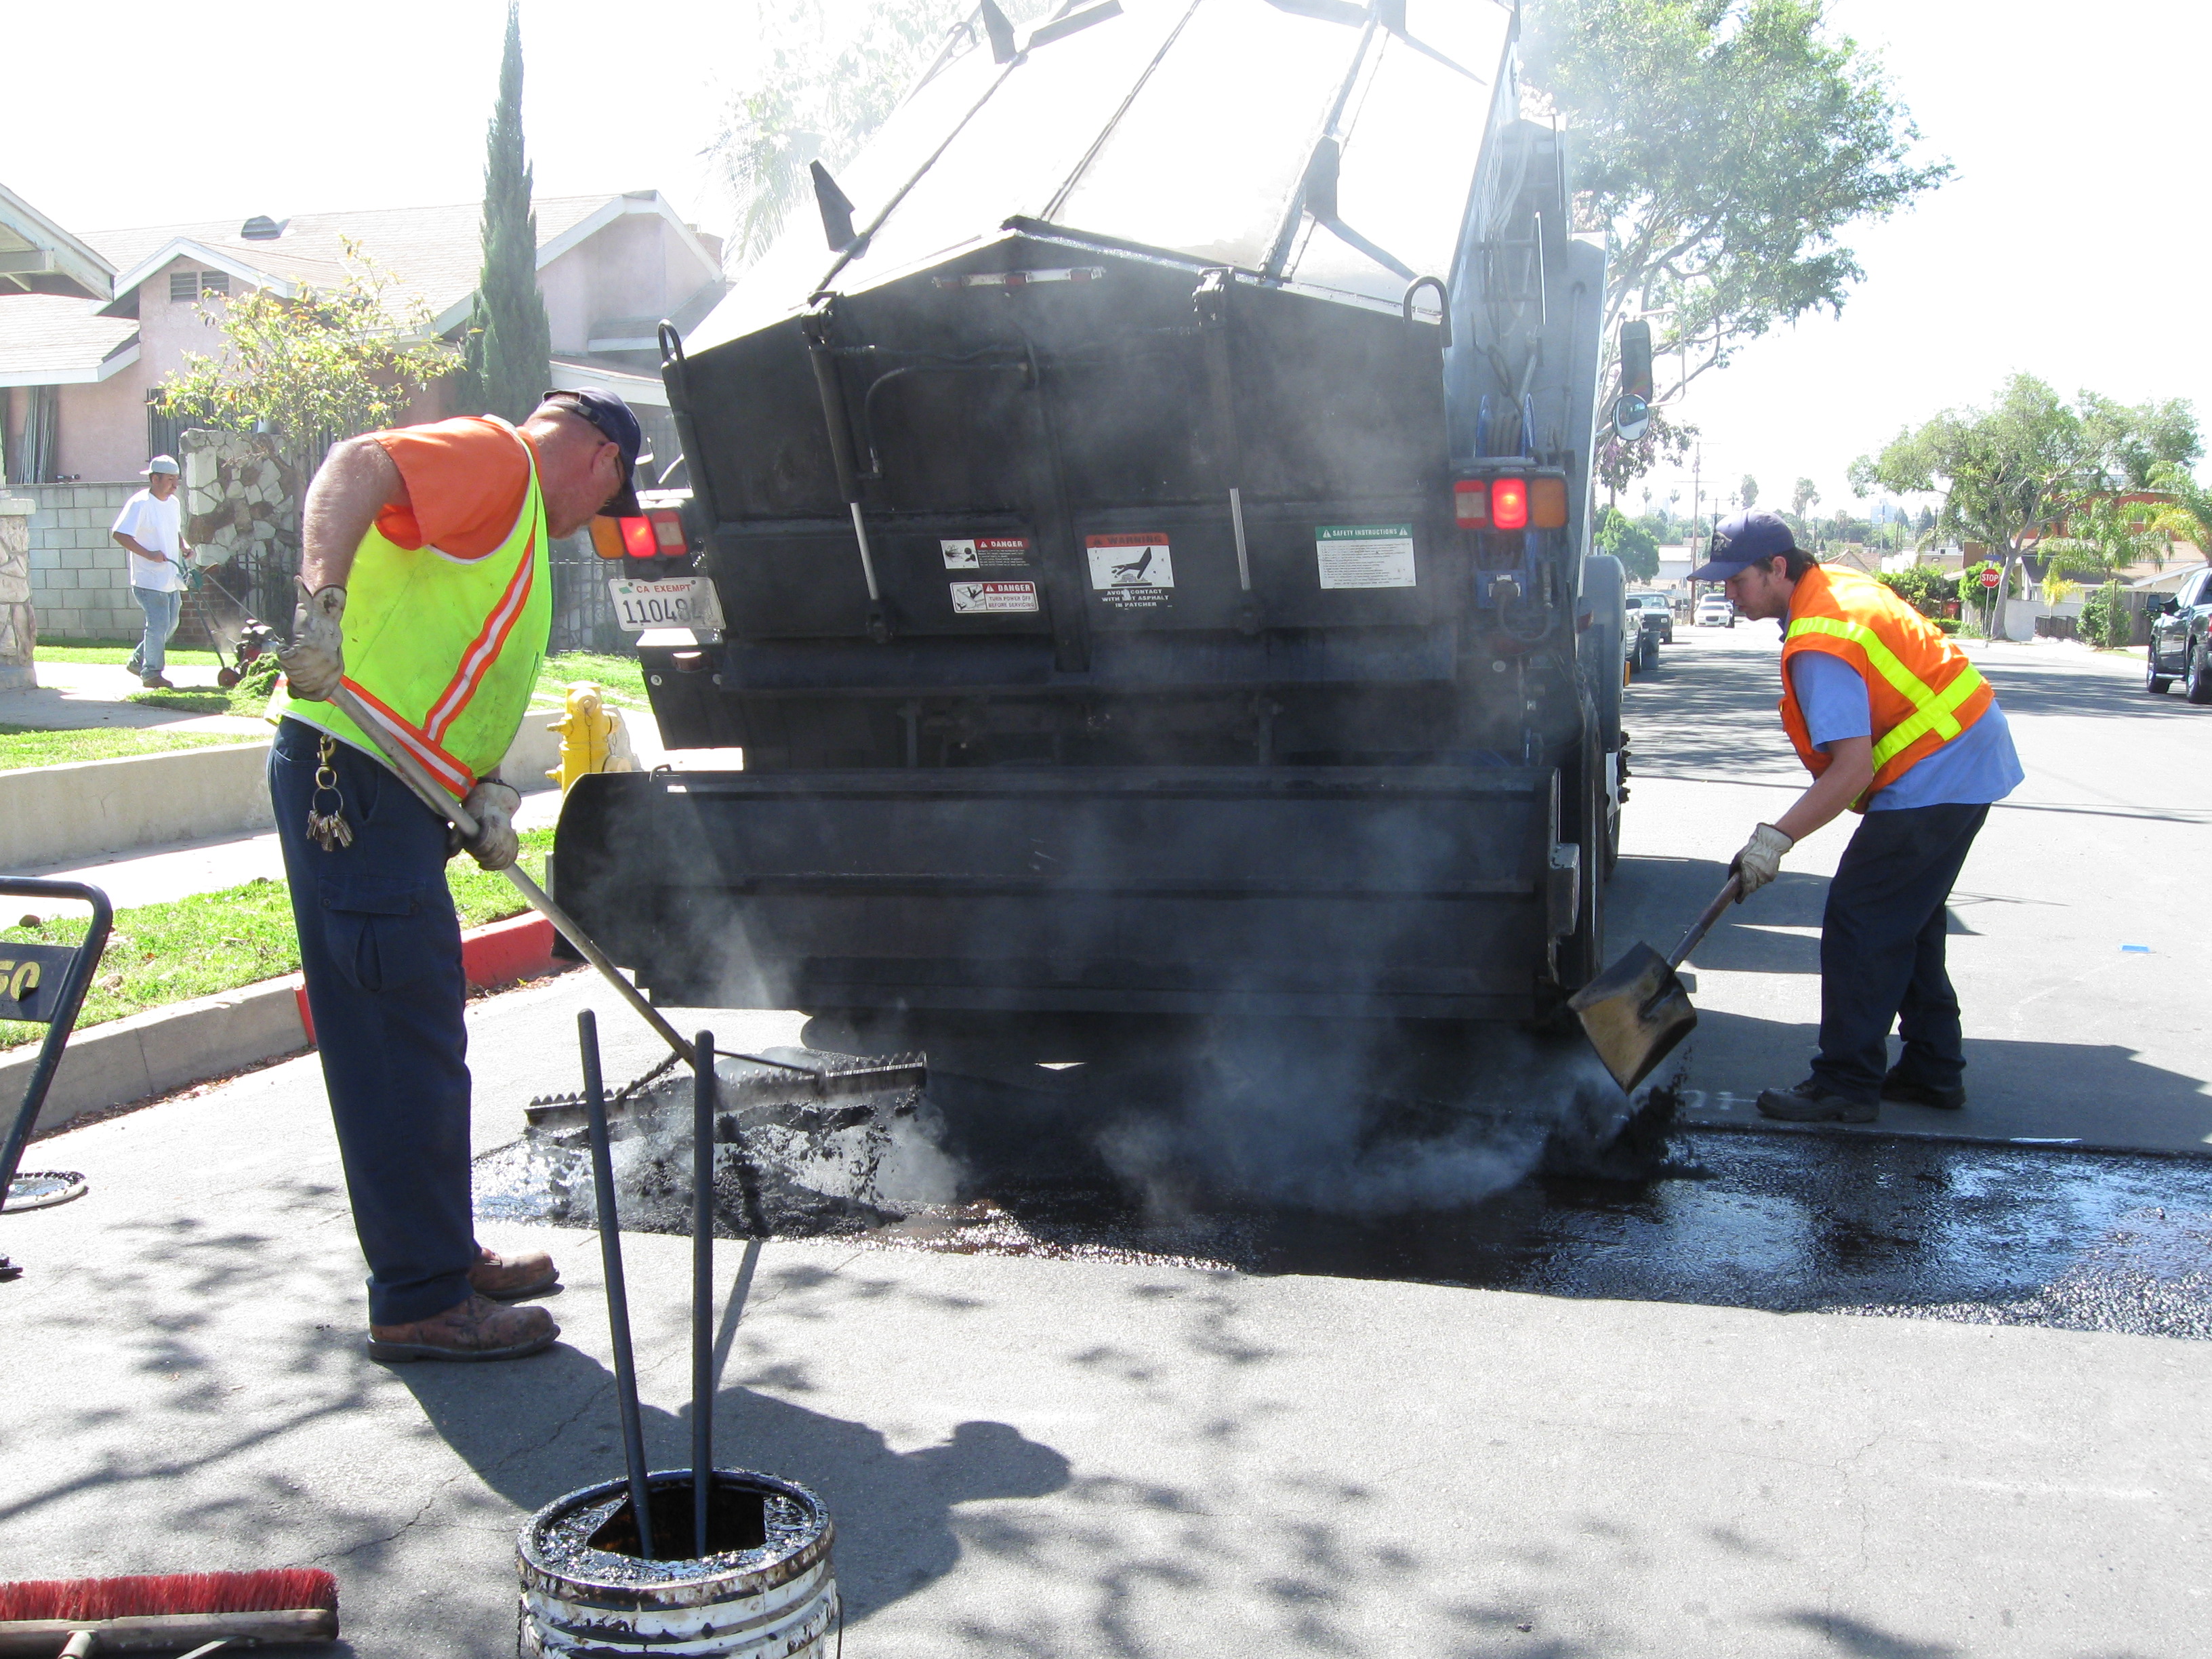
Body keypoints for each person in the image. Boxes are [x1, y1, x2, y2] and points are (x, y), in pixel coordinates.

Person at [268, 389, 643, 1361]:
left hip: (398, 792)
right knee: (398, 1039)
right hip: (354, 778)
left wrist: (485, 790)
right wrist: (320, 607)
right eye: (606, 500)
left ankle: (439, 1254)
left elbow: (456, 664)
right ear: (602, 458)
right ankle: (420, 1298)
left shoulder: (510, 521)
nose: (589, 522)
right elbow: (355, 463)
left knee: (420, 1028)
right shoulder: (499, 459)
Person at [1687, 511, 2023, 1124]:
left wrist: (1774, 841)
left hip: (1942, 766)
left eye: (1737, 580)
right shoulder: (1831, 589)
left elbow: (1851, 771)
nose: (1728, 592)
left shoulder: (1822, 641)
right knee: (1908, 920)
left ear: (1777, 568)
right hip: (1964, 750)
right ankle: (1932, 1069)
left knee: (1861, 917)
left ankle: (1845, 1083)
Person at [111, 454, 192, 689]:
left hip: (171, 577)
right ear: (155, 479)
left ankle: (138, 661)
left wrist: (184, 546)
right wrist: (149, 554)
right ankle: (152, 674)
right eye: (170, 479)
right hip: (148, 579)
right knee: (158, 626)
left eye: (177, 479)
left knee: (170, 625)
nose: (175, 485)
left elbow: (175, 531)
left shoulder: (174, 503)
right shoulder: (140, 503)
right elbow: (120, 534)